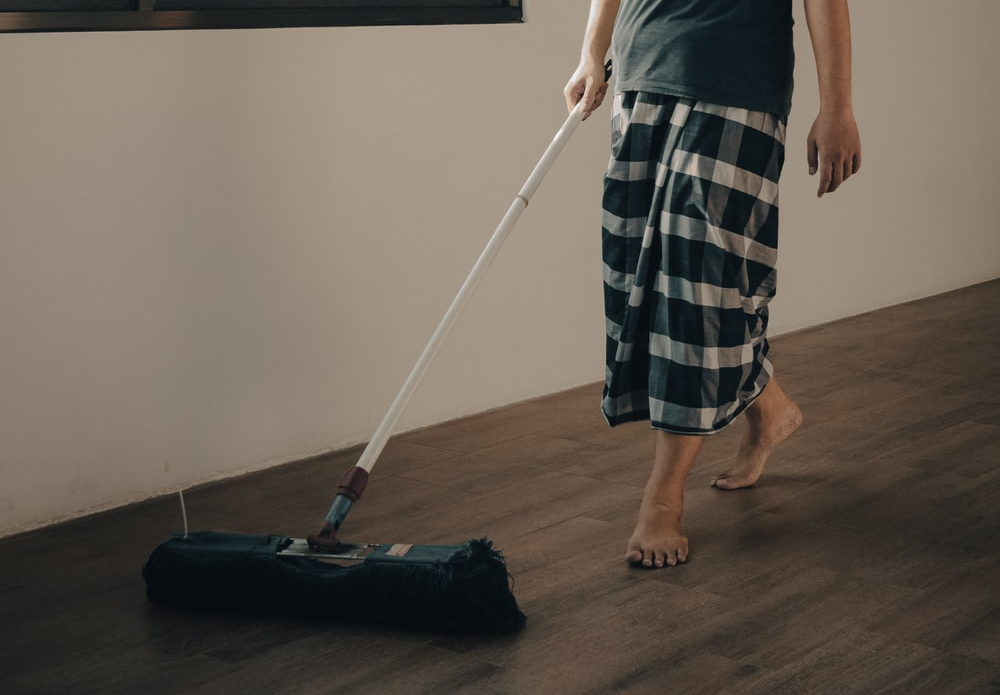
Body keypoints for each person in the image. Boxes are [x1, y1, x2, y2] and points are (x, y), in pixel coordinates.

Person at [564, 0, 862, 568]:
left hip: (737, 86)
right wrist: (591, 55)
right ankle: (770, 408)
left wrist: (838, 107)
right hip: (640, 73)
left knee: (699, 280)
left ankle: (663, 498)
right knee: (645, 280)